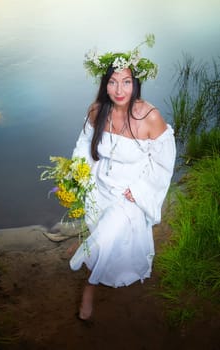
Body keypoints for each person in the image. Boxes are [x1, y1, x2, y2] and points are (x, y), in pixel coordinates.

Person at [69, 35, 176, 322]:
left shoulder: (149, 117)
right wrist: (79, 176)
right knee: (107, 237)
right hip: (101, 184)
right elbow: (84, 146)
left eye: (126, 81)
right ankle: (97, 262)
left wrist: (140, 191)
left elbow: (163, 163)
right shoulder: (96, 111)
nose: (119, 89)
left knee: (107, 235)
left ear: (136, 83)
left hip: (131, 190)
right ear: (104, 84)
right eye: (113, 82)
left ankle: (89, 286)